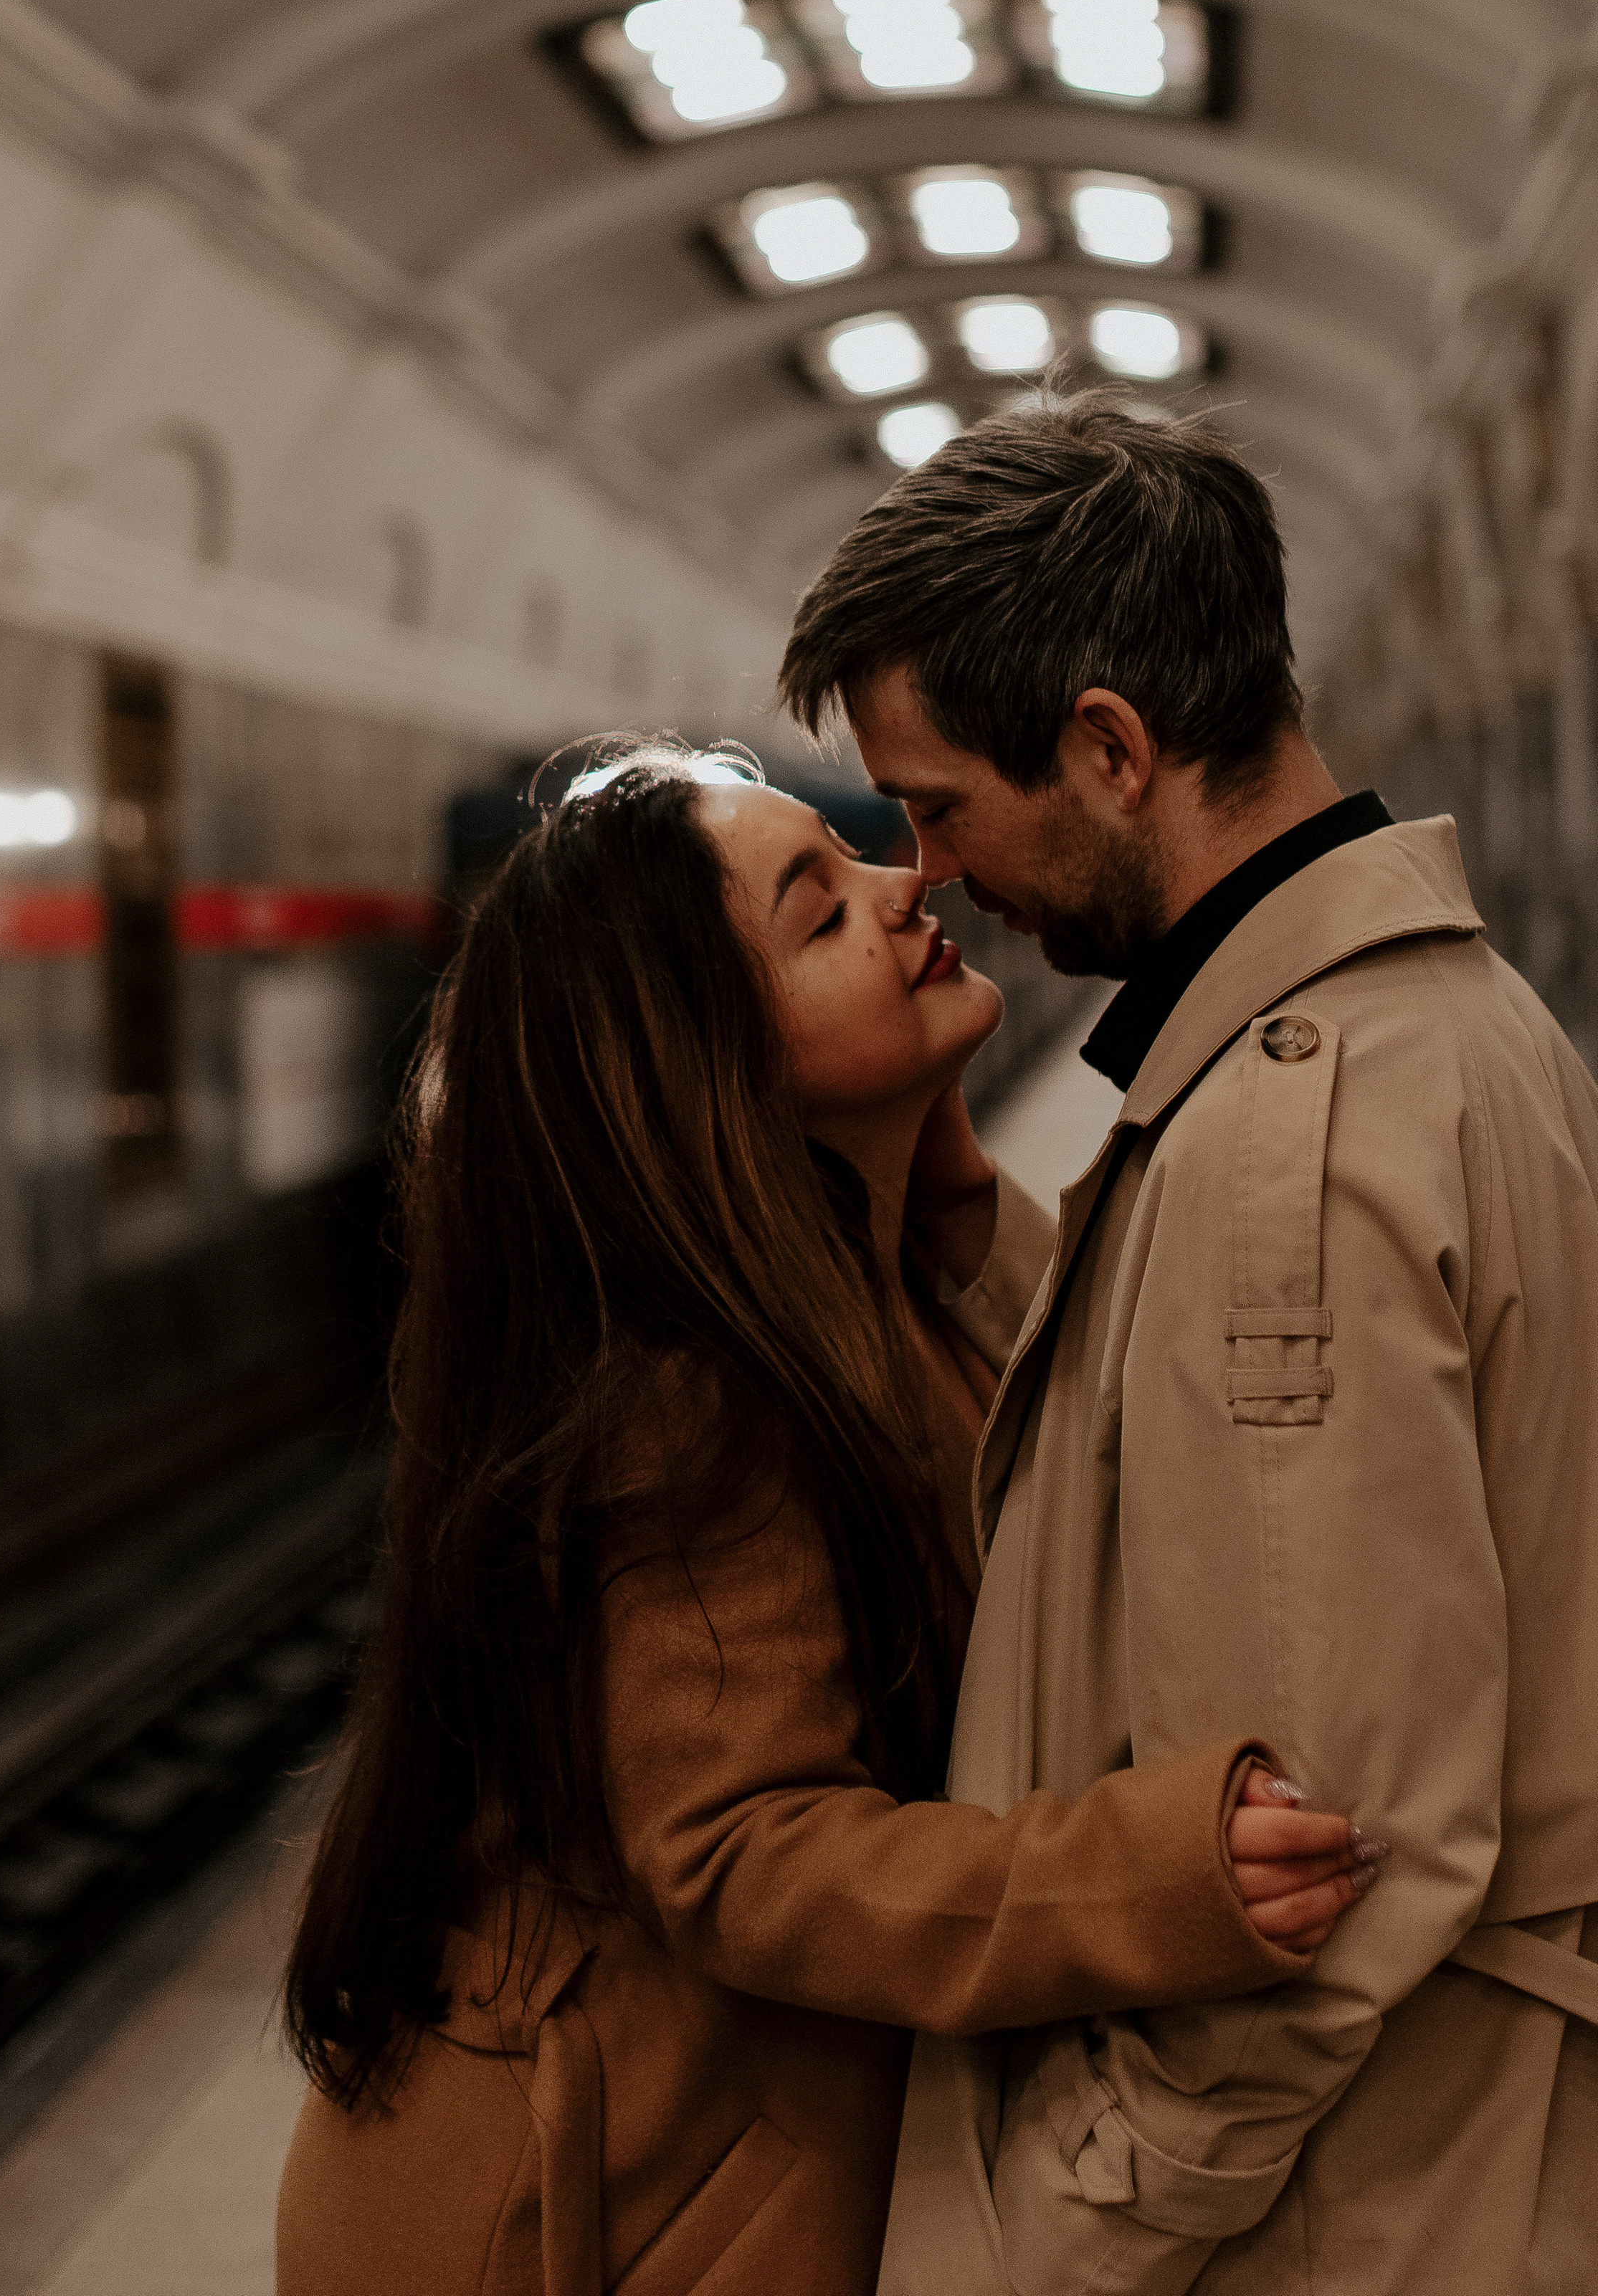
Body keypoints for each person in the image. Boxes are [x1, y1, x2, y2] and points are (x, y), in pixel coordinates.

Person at [276, 745, 1374, 2296]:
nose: (905, 883)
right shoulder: (689, 1399)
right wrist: (1146, 1882)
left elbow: (1068, 1429)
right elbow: (745, 1851)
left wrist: (939, 1200)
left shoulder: (850, 1289)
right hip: (575, 2225)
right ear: (710, 1066)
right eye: (819, 911)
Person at [778, 389, 1598, 2296]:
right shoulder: (1453, 1028)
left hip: (1350, 2217)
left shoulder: (1281, 1149)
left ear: (1111, 748)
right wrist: (968, 1221)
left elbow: (1328, 1838)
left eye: (941, 805)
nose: (934, 870)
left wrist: (1069, 2215)